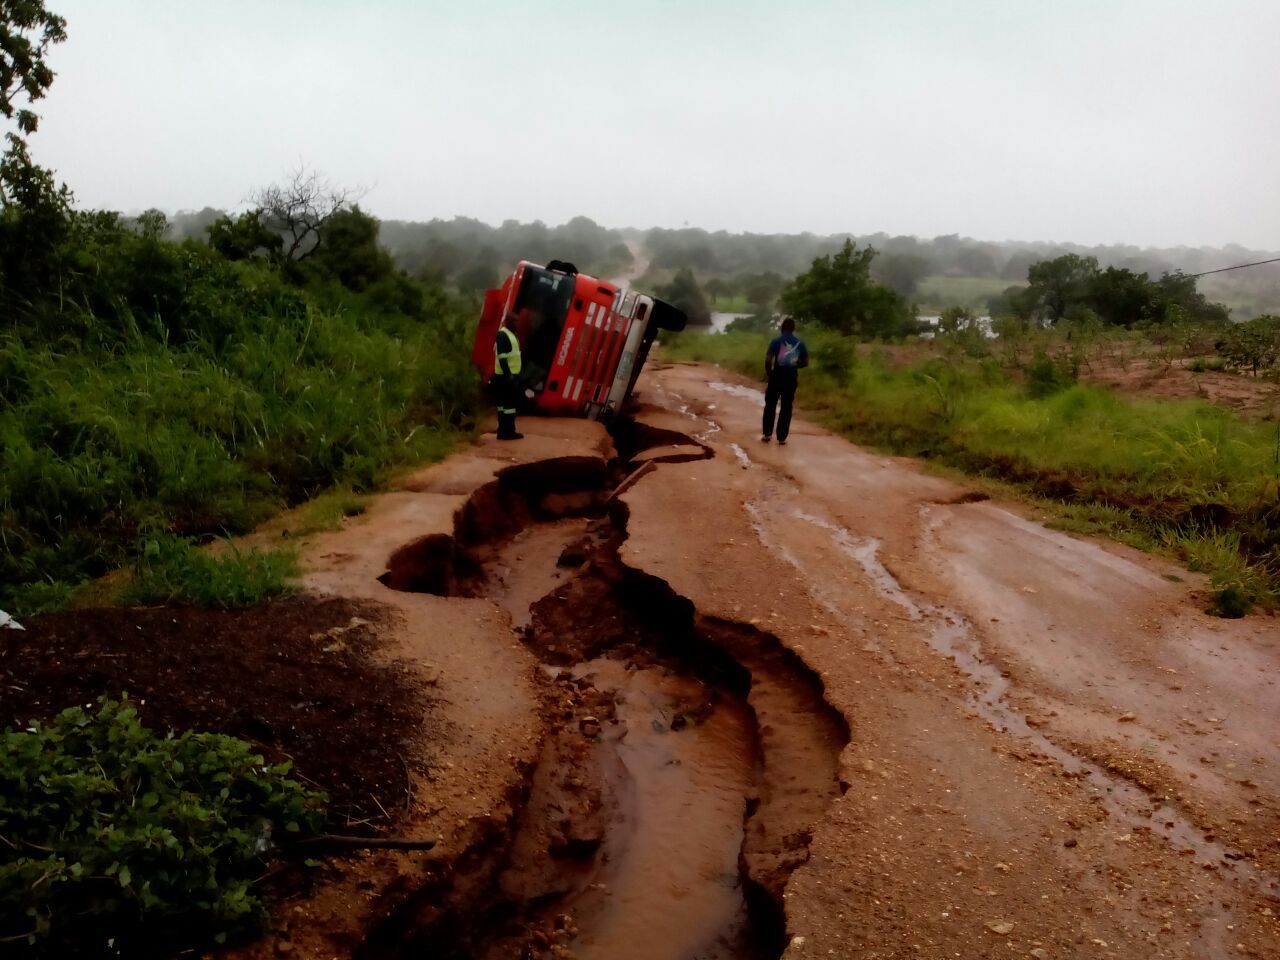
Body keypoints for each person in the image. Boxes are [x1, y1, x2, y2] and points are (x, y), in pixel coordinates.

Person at [762, 317, 808, 444]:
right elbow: (805, 362)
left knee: (770, 405)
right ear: (793, 329)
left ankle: (767, 434)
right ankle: (781, 438)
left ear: (782, 328)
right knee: (786, 407)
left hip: (776, 378)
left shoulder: (776, 341)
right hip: (791, 380)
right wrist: (794, 364)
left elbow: (768, 360)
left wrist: (769, 374)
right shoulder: (799, 343)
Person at [494, 313, 524, 441]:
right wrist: (509, 375)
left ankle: (502, 431)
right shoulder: (503, 334)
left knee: (504, 405)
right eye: (515, 321)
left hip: (508, 376)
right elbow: (502, 357)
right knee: (509, 406)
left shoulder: (511, 335)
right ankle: (508, 432)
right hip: (506, 377)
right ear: (509, 322)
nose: (517, 324)